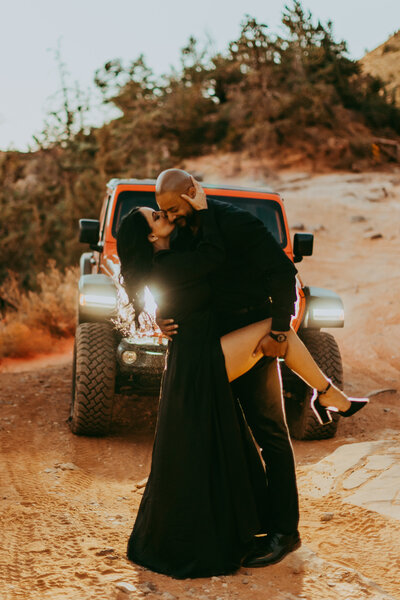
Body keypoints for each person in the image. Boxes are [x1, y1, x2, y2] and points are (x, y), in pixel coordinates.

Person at [117, 177, 368, 578]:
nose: (169, 215)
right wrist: (164, 320)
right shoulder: (179, 236)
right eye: (161, 211)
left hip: (254, 339)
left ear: (190, 194)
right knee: (225, 442)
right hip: (209, 348)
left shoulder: (234, 223)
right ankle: (244, 523)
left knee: (269, 434)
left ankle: (284, 533)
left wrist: (280, 332)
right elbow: (173, 279)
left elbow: (284, 274)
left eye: (172, 207)